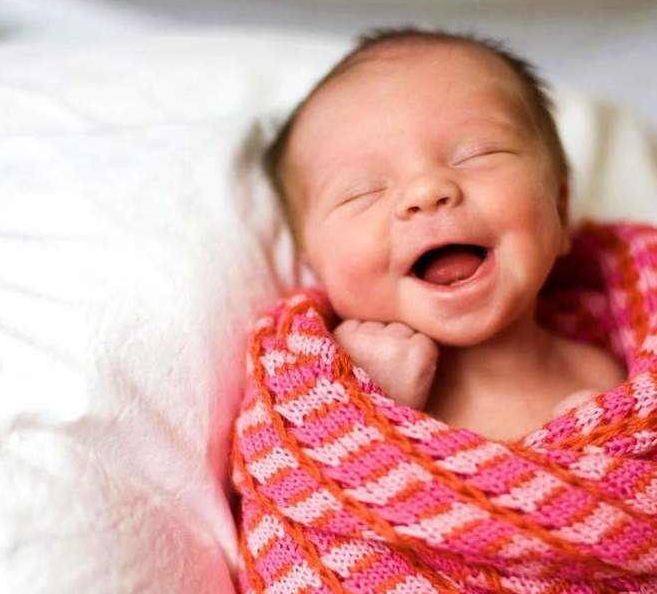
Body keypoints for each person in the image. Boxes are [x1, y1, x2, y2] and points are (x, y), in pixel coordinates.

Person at [263, 26, 626, 441]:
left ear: (559, 208)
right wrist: (366, 403)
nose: (425, 191)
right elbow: (293, 473)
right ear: (316, 267)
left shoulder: (613, 374)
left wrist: (603, 448)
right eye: (362, 192)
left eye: (476, 154)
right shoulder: (320, 391)